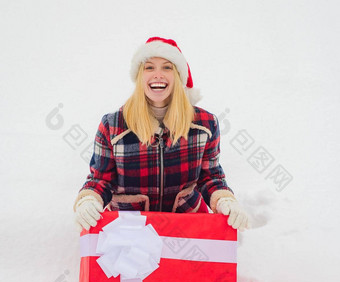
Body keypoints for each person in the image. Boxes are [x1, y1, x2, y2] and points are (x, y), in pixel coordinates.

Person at [73, 36, 251, 232]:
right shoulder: (113, 125)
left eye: (167, 67)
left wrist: (224, 200)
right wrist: (89, 199)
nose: (158, 74)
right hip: (129, 231)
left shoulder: (205, 125)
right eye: (149, 67)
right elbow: (101, 179)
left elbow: (210, 177)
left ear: (178, 76)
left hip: (188, 228)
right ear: (140, 76)